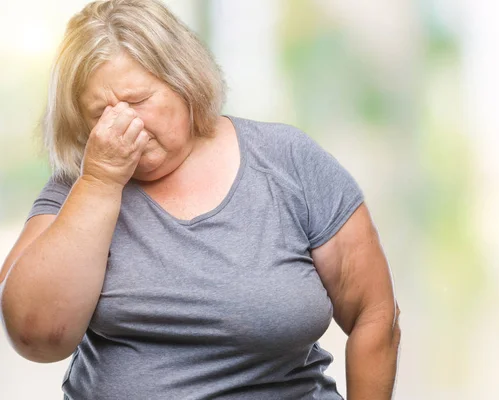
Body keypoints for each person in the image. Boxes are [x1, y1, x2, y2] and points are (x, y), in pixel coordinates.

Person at [0, 0, 401, 399]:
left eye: (138, 100)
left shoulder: (287, 161)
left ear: (184, 81)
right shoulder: (76, 186)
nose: (122, 123)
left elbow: (375, 314)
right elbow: (38, 336)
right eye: (98, 113)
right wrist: (101, 180)